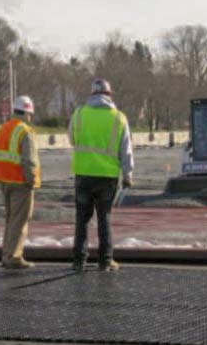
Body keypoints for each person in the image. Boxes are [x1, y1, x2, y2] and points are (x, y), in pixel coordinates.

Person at [68, 78, 134, 272]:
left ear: (92, 94)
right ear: (109, 95)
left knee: (81, 219)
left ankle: (78, 262)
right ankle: (105, 261)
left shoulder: (79, 114)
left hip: (83, 173)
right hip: (107, 176)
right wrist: (128, 174)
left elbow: (72, 138)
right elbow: (126, 149)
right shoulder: (119, 117)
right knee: (103, 217)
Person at [0, 95, 40, 269]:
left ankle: (6, 254)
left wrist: (4, 172)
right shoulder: (25, 131)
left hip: (4, 182)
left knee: (11, 219)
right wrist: (32, 180)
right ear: (27, 113)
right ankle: (13, 257)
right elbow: (29, 161)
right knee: (20, 221)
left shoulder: (1, 129)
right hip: (21, 183)